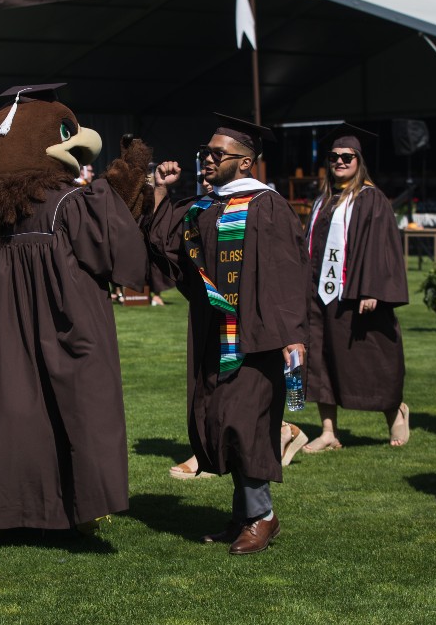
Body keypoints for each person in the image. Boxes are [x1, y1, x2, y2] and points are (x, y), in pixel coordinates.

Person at [0, 84, 150, 532]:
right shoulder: (69, 205)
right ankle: (71, 508)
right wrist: (125, 196)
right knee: (66, 409)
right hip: (62, 327)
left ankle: (0, 511)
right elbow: (121, 258)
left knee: (8, 411)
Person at [145, 115, 308, 554]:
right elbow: (165, 246)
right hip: (214, 333)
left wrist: (292, 334)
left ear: (246, 163)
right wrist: (161, 188)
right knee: (221, 421)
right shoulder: (206, 206)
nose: (207, 161)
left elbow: (288, 272)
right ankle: (243, 514)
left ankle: (263, 517)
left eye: (218, 154)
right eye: (206, 153)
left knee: (243, 424)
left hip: (258, 336)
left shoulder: (266, 205)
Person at [302, 123, 409, 452]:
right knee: (320, 363)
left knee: (371, 357)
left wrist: (372, 289)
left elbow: (382, 247)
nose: (339, 161)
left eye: (347, 156)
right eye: (334, 157)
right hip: (319, 297)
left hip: (356, 295)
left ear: (359, 160)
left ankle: (395, 413)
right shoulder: (323, 201)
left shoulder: (371, 199)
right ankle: (329, 431)